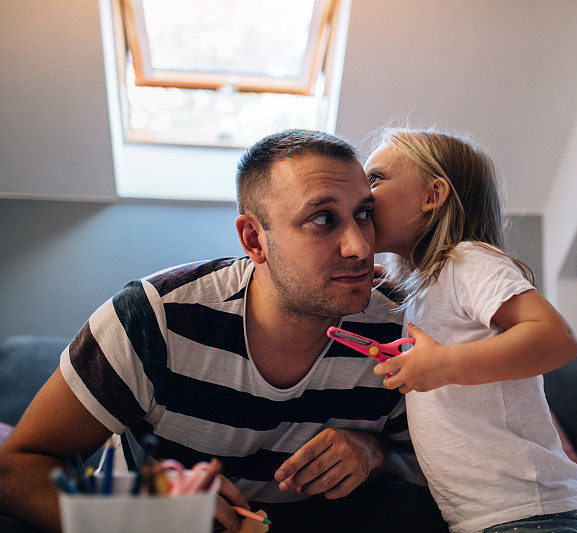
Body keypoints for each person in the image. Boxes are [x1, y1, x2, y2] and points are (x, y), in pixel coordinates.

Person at [0, 130, 447, 533]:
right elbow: (16, 469)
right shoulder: (154, 318)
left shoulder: (404, 325)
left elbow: (446, 473)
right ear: (254, 239)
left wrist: (376, 456)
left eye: (364, 213)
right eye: (323, 219)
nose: (362, 246)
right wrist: (143, 511)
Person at [363, 128, 577, 533]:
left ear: (433, 195)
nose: (362, 194)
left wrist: (445, 364)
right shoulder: (428, 282)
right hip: (485, 516)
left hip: (527, 512)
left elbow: (557, 339)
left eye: (375, 179)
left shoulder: (468, 260)